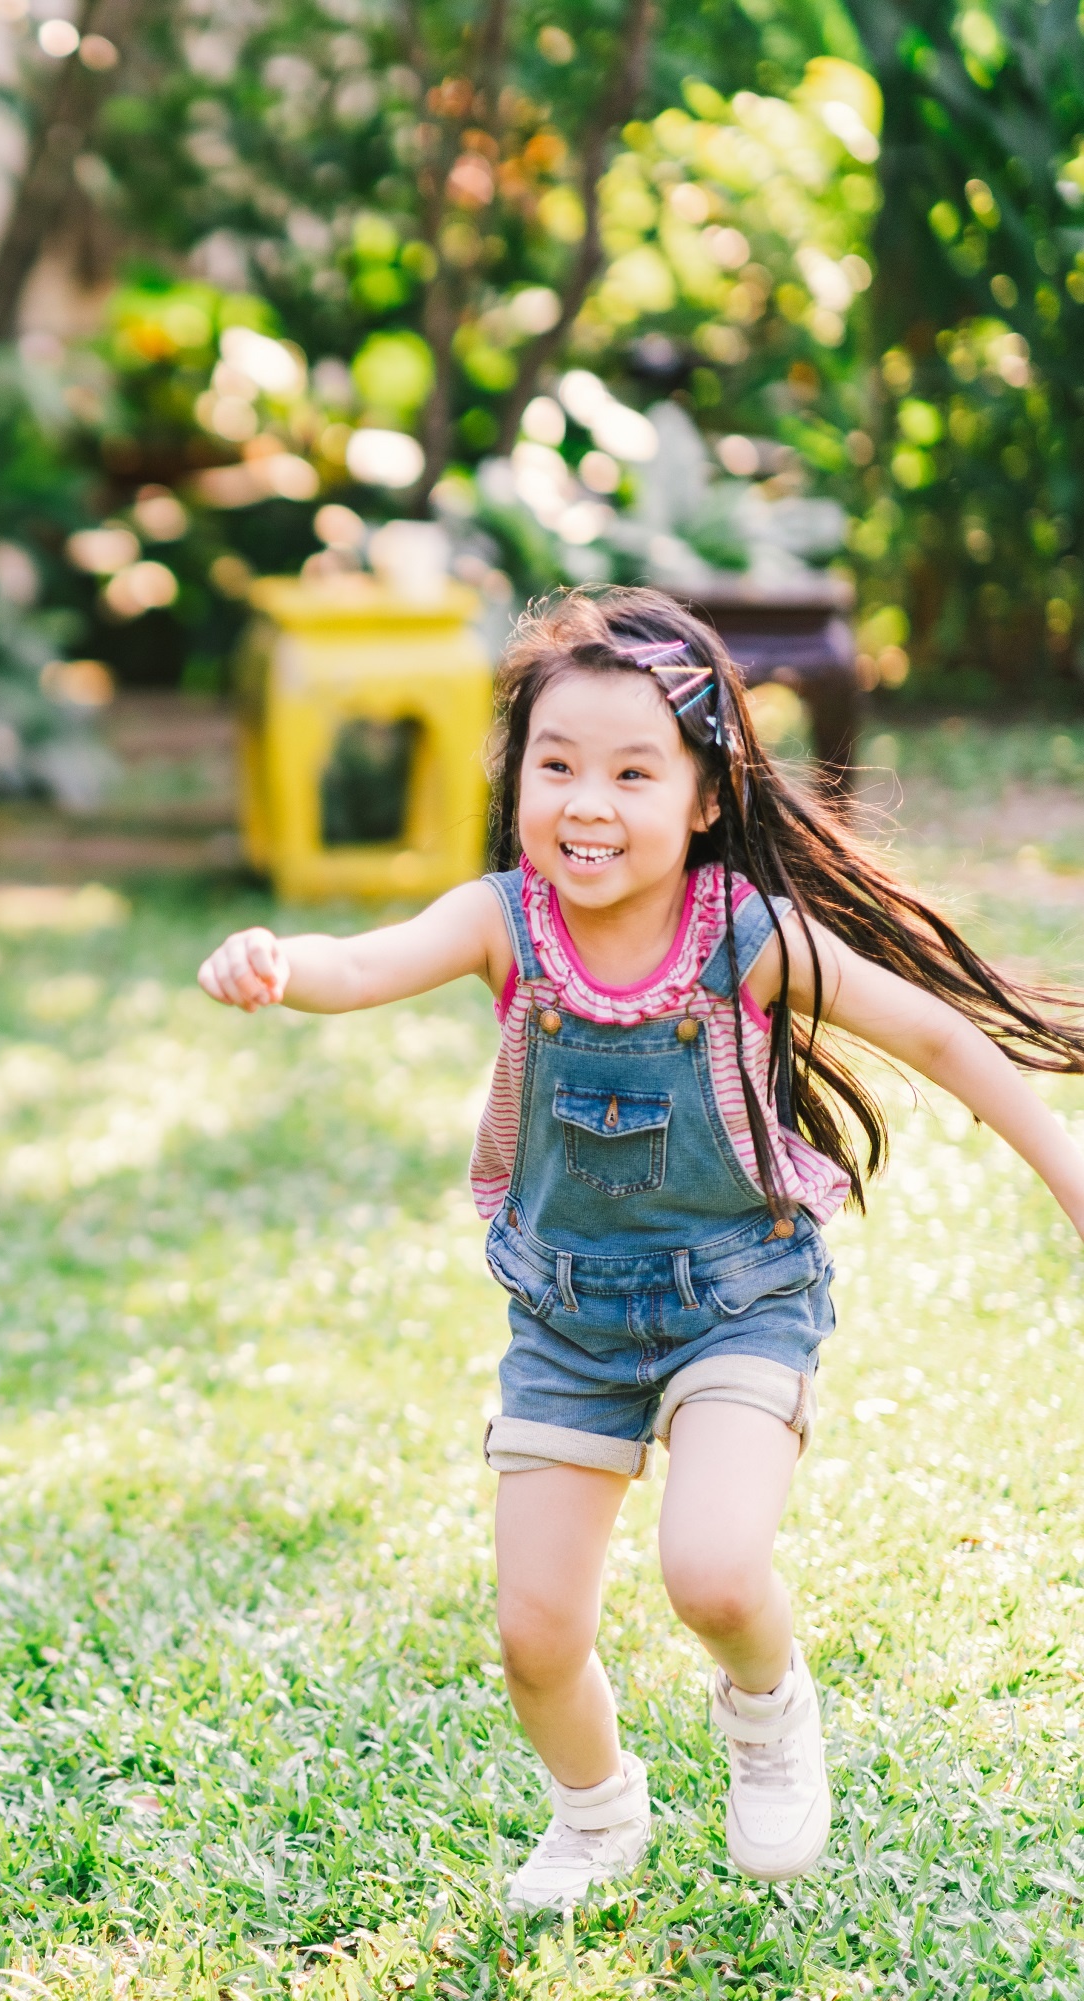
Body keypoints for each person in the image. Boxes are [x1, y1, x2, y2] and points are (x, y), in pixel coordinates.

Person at [197, 586, 1084, 1911]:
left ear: (707, 797)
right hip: (567, 1323)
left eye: (630, 771)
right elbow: (364, 961)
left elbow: (944, 1040)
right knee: (534, 1633)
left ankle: (769, 1709)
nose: (587, 803)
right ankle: (597, 1812)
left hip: (740, 1300)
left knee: (713, 1570)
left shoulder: (747, 938)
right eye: (555, 766)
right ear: (516, 784)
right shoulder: (503, 919)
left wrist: (1069, 1173)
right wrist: (279, 962)